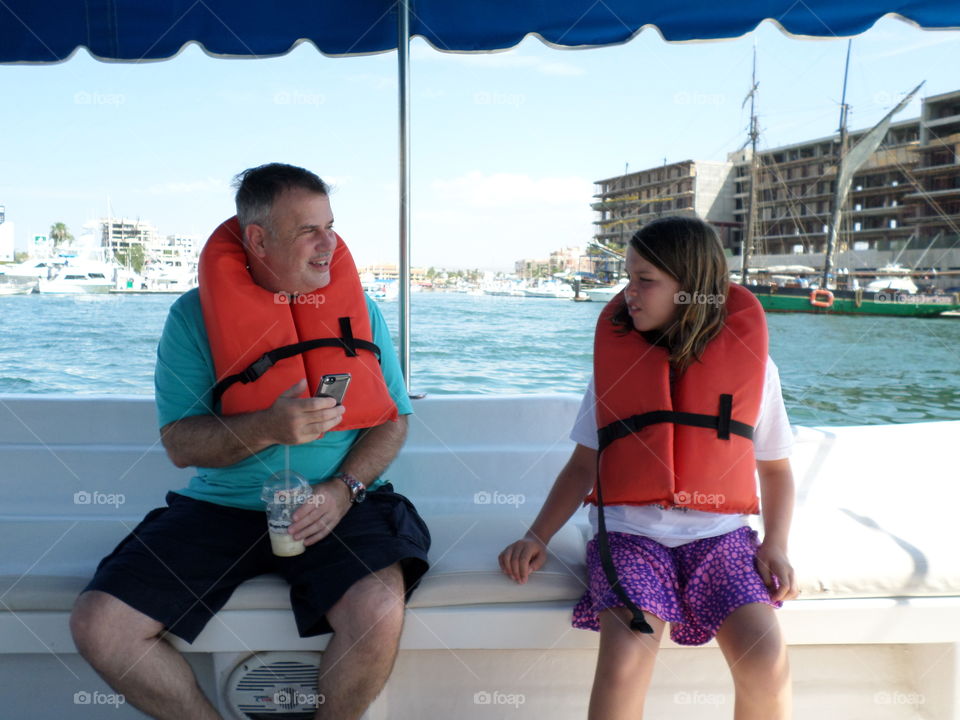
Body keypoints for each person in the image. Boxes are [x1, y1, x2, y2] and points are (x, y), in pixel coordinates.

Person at [70, 163, 430, 720]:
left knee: (379, 612)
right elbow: (180, 444)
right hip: (222, 509)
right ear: (258, 239)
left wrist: (343, 488)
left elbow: (393, 419)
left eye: (331, 226)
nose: (328, 243)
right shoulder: (193, 318)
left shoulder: (363, 312)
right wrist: (267, 426)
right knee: (100, 625)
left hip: (338, 504)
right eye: (309, 230)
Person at [499, 215, 799, 720]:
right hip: (630, 537)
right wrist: (537, 536)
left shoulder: (753, 367)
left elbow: (775, 470)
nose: (627, 293)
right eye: (628, 277)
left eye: (645, 280)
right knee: (625, 662)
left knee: (767, 662)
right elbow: (582, 465)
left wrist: (776, 544)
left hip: (721, 538)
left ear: (691, 289)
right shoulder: (618, 365)